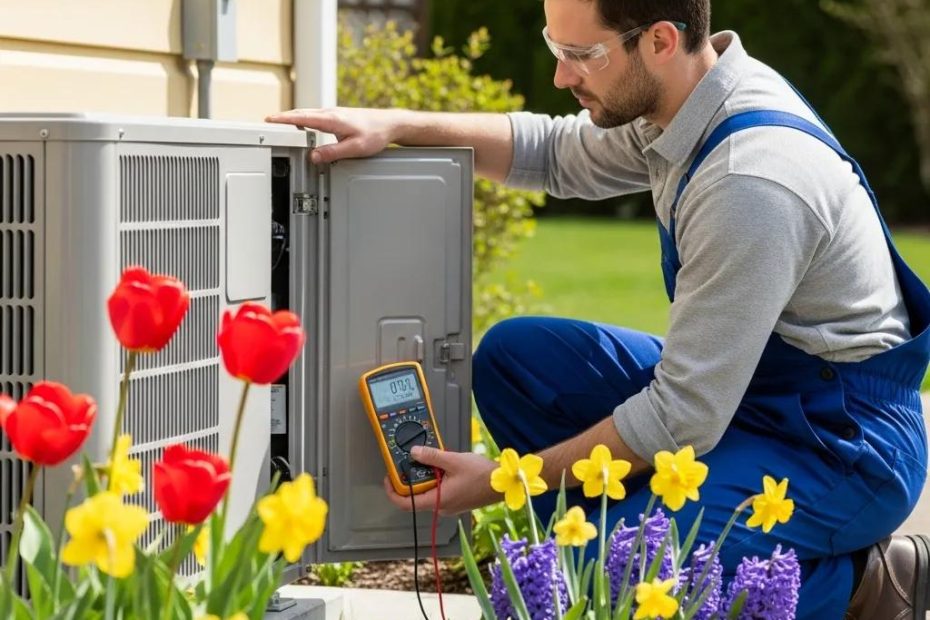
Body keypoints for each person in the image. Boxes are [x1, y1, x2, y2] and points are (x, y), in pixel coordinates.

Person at [268, 0, 930, 617]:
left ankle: (865, 583)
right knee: (517, 362)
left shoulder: (749, 180)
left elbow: (682, 417)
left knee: (601, 579)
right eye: (554, 46)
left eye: (580, 54)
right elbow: (553, 153)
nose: (560, 76)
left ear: (661, 41)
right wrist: (396, 126)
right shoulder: (684, 102)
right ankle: (650, 520)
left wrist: (504, 480)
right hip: (749, 394)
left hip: (838, 444)